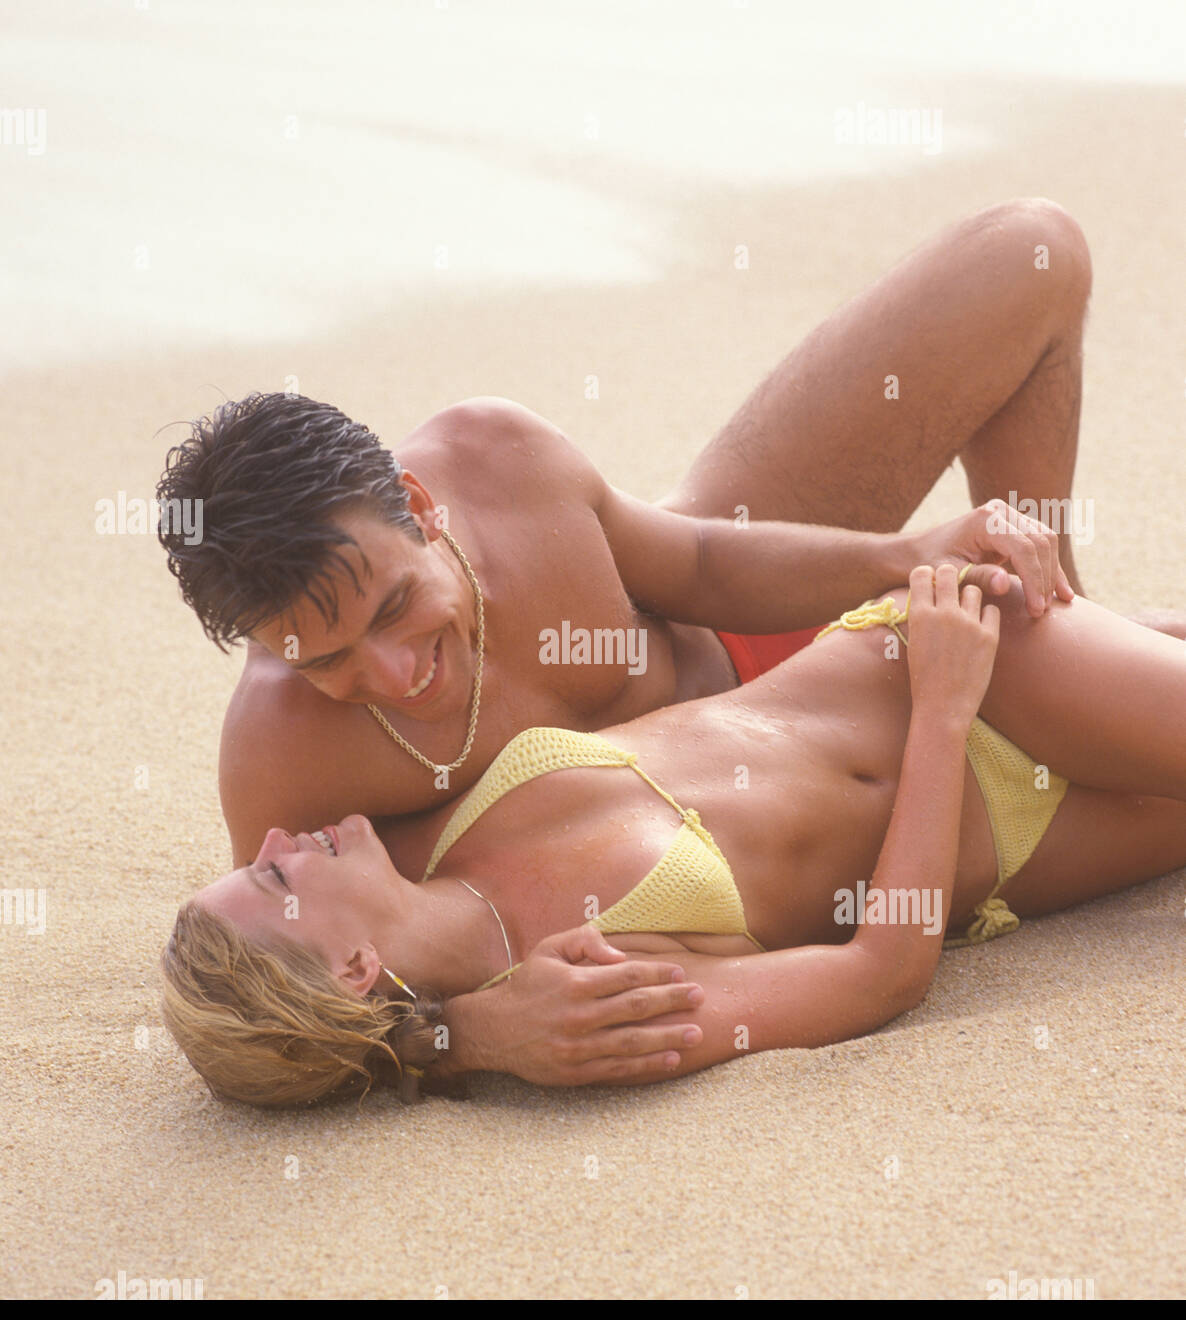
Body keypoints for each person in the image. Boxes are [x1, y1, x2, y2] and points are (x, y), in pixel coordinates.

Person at [156, 197, 1157, 1081]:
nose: (389, 672)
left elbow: (705, 565)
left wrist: (901, 555)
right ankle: (1101, 680)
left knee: (1028, 249)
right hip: (891, 770)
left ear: (420, 507)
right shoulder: (290, 775)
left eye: (390, 608)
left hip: (771, 633)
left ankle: (1075, 616)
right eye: (322, 660)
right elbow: (302, 1010)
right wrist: (463, 1036)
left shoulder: (495, 460)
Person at [162, 565, 1186, 1107]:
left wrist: (445, 1040)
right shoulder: (585, 1001)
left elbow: (373, 1041)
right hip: (998, 798)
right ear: (351, 966)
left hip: (949, 660)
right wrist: (941, 715)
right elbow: (879, 974)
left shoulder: (418, 836)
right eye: (270, 874)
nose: (280, 837)